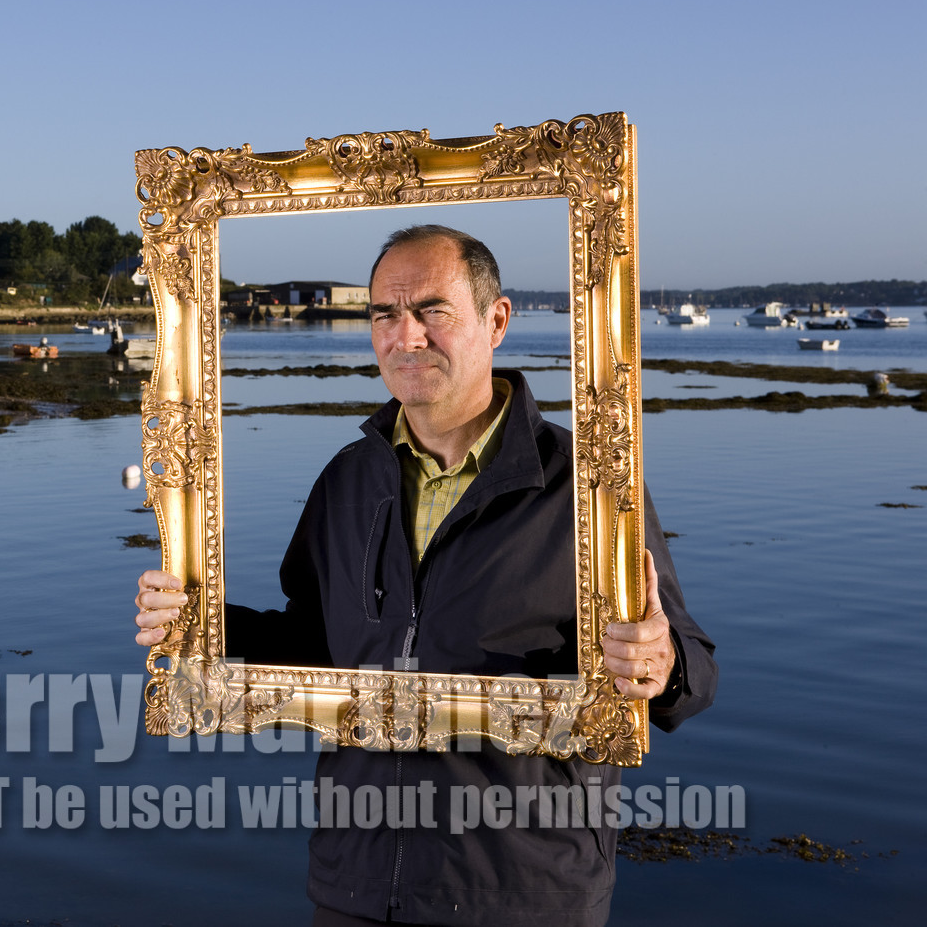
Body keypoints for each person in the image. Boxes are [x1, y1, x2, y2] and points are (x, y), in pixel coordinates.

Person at [134, 225, 716, 927]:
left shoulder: (588, 487)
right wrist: (200, 627)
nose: (405, 336)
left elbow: (692, 678)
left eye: (432, 311)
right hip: (354, 885)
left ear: (496, 319)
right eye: (384, 314)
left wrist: (661, 664)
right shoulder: (348, 480)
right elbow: (319, 648)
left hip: (525, 893)